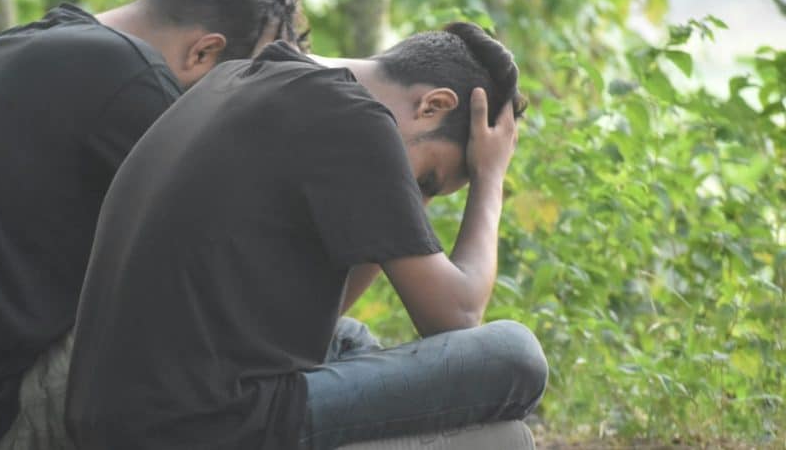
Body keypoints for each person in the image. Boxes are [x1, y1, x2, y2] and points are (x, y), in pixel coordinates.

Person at [0, 0, 305, 450]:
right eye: (247, 84)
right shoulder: (136, 82)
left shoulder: (35, 42)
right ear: (202, 54)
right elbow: (246, 275)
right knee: (251, 347)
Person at [65, 22, 548, 449]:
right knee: (516, 355)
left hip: (123, 416)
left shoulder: (245, 75)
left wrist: (398, 205)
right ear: (433, 105)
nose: (417, 198)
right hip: (202, 426)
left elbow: (318, 326)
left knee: (353, 340)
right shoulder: (356, 118)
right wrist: (489, 181)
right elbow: (457, 316)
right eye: (427, 182)